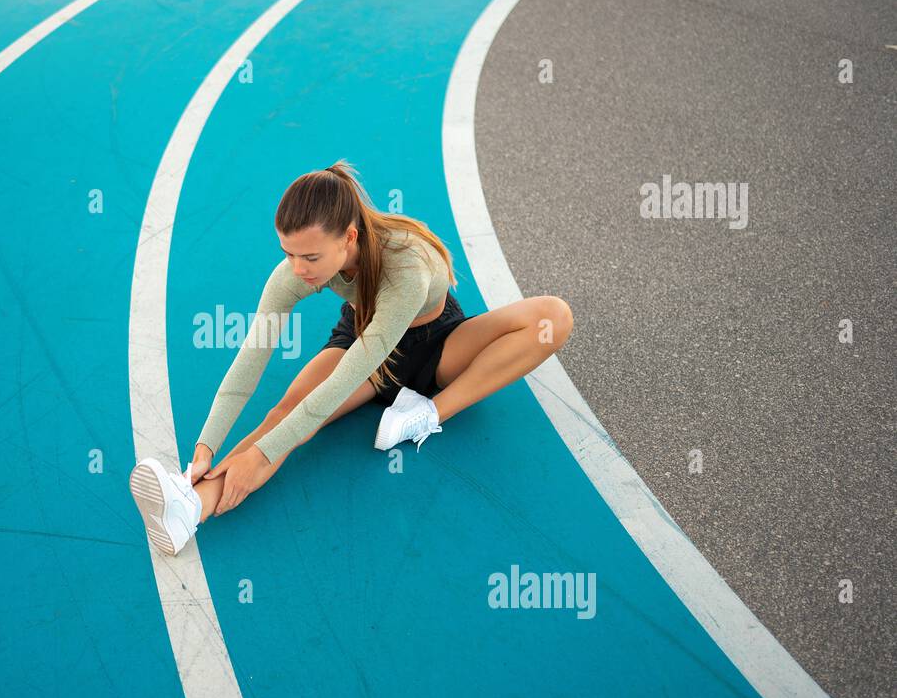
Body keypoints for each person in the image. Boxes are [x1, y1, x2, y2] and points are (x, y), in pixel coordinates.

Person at [129, 159, 573, 556]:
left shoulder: (407, 265)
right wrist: (206, 447)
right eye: (288, 254)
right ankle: (190, 508)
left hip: (435, 345)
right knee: (284, 413)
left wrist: (266, 451)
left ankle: (429, 411)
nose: (298, 269)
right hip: (363, 335)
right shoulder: (297, 270)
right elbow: (252, 356)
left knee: (553, 317)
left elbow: (351, 375)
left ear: (350, 238)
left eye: (310, 256)